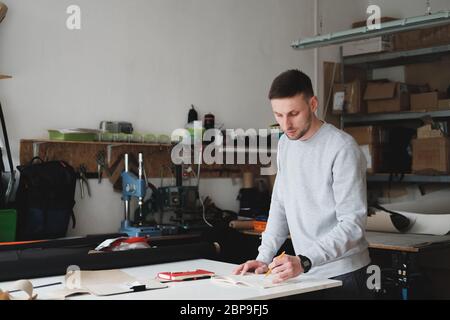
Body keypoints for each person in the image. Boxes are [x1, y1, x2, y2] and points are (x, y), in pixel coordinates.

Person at [233, 69, 372, 299]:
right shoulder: (287, 145)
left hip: (345, 275)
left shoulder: (342, 148)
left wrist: (305, 260)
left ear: (313, 104)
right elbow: (279, 206)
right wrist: (263, 258)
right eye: (278, 115)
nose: (286, 124)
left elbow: (353, 225)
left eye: (293, 113)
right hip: (306, 273)